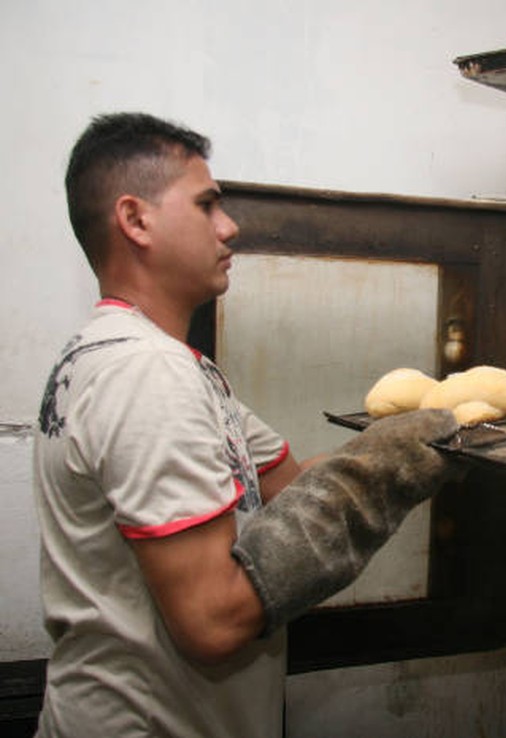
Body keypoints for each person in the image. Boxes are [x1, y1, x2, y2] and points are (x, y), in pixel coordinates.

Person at [33, 112, 459, 738]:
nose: (229, 226)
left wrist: (405, 449)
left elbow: (290, 486)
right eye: (206, 205)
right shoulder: (146, 373)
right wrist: (380, 478)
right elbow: (214, 621)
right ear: (136, 219)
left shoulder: (150, 362)